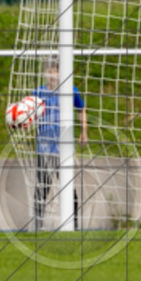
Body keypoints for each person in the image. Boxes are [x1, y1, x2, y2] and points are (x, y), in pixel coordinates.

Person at [31, 58, 89, 229]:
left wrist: (83, 131)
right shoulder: (38, 93)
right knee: (43, 187)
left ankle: (74, 223)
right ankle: (38, 224)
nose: (52, 76)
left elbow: (81, 108)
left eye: (56, 72)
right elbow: (28, 112)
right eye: (49, 72)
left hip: (64, 149)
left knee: (69, 187)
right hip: (44, 148)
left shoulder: (70, 91)